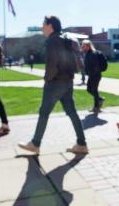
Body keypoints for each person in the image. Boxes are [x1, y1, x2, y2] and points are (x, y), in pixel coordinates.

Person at [18, 16, 88, 154]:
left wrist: (47, 79)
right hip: (68, 81)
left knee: (44, 112)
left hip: (55, 82)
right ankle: (82, 144)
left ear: (51, 26)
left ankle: (35, 144)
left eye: (44, 24)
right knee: (72, 112)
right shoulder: (65, 39)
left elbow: (52, 63)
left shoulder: (52, 41)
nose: (42, 27)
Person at [82, 40, 105, 113]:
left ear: (88, 46)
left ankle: (96, 108)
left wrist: (93, 72)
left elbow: (96, 65)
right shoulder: (87, 53)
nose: (82, 47)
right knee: (89, 89)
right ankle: (100, 99)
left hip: (95, 75)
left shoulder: (93, 54)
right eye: (82, 46)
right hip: (91, 75)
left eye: (84, 46)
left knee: (94, 90)